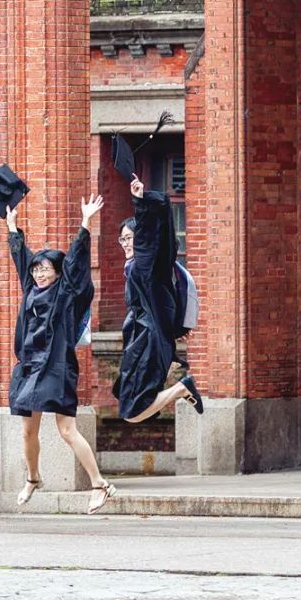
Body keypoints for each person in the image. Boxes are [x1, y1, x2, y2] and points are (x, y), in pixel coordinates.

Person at [5, 192, 118, 515]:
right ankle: (33, 477)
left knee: (66, 429)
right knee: (28, 429)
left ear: (57, 272)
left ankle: (99, 484)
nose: (40, 274)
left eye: (46, 269)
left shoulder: (66, 292)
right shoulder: (31, 289)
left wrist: (85, 223)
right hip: (29, 366)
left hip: (55, 366)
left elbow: (78, 262)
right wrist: (13, 228)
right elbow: (21, 260)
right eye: (37, 270)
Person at [114, 175, 203, 424]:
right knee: (130, 407)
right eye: (122, 238)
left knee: (132, 411)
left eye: (131, 237)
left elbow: (151, 239)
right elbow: (161, 303)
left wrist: (141, 202)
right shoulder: (140, 269)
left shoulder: (146, 267)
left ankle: (182, 388)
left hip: (148, 343)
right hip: (142, 341)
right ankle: (180, 389)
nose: (126, 243)